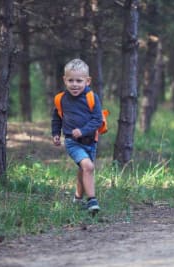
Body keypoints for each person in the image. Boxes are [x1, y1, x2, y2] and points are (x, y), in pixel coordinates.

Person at [51, 58, 103, 213]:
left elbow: (98, 120)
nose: (74, 84)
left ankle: (77, 198)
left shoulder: (92, 97)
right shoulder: (61, 99)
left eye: (79, 81)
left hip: (90, 141)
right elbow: (57, 117)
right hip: (72, 142)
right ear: (64, 80)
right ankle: (92, 201)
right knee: (88, 166)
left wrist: (83, 130)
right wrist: (55, 133)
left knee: (83, 170)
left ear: (87, 81)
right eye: (71, 80)